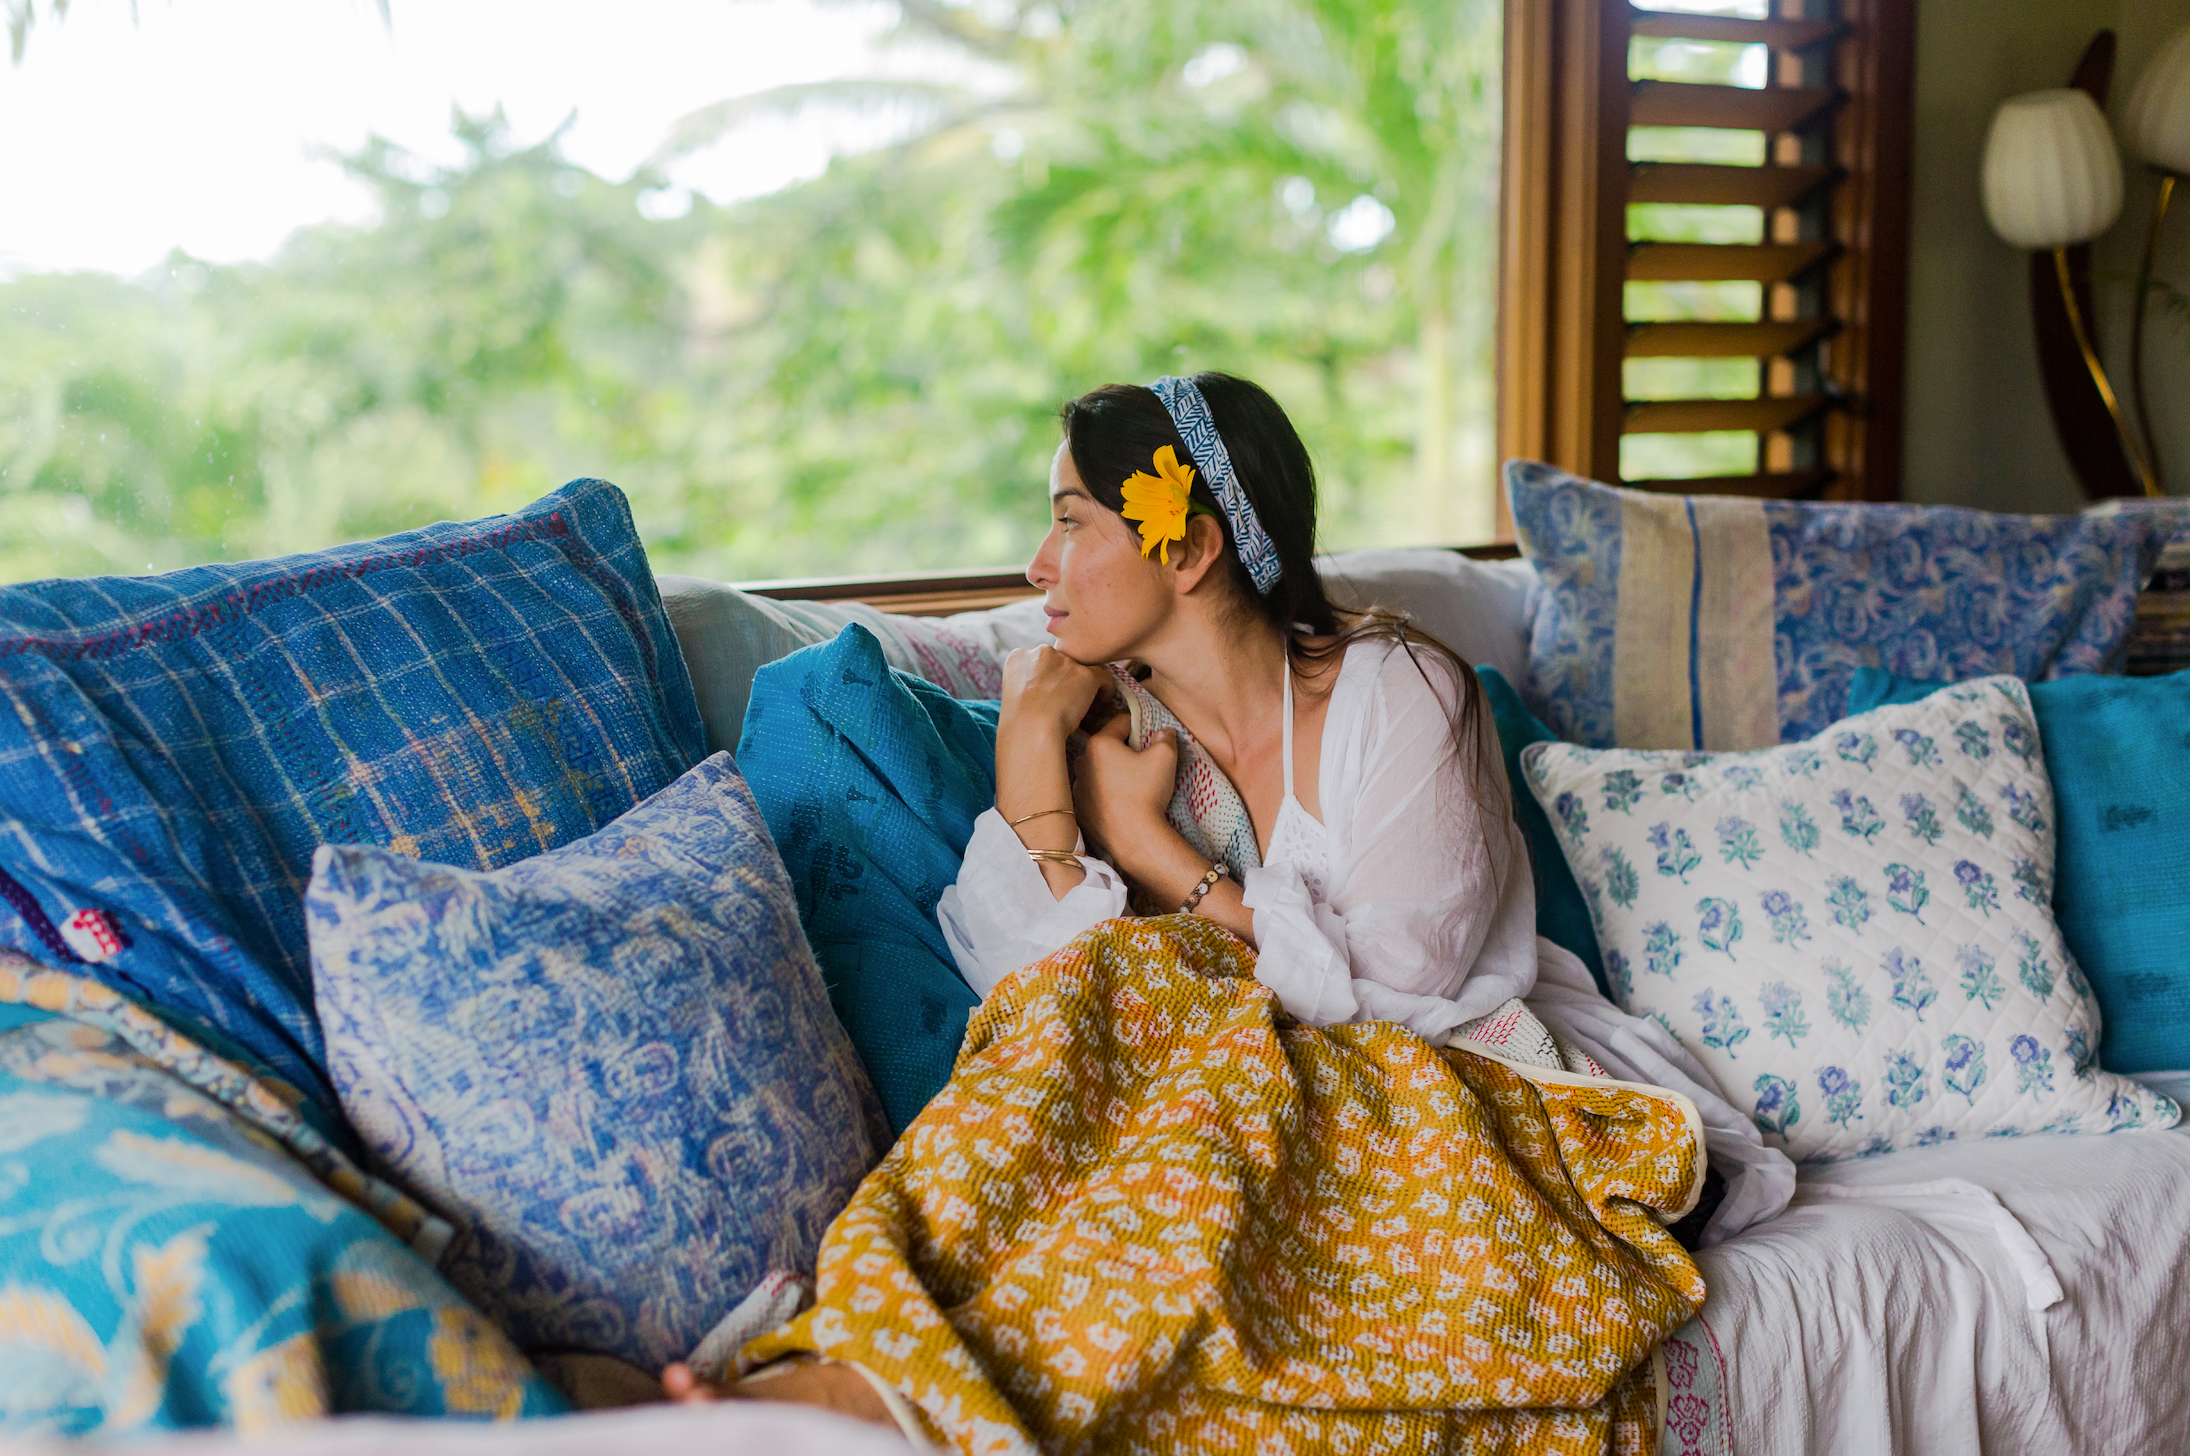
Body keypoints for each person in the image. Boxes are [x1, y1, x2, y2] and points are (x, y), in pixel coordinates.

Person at [660, 373, 1791, 1440]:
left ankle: (871, 1396)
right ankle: (854, 1337)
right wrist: (1029, 752)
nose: (1036, 561)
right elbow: (1037, 1002)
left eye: (1070, 521)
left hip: (1466, 1094)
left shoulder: (1398, 689)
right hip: (1260, 1110)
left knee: (1215, 1066)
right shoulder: (1125, 728)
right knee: (1111, 1006)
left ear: (1190, 545)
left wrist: (1159, 854)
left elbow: (1400, 989)